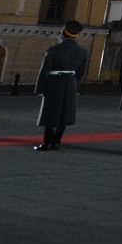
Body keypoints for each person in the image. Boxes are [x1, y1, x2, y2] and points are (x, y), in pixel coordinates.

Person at [33, 20, 88, 150]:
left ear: (62, 33)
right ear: (77, 35)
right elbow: (81, 73)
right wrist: (76, 86)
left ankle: (47, 143)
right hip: (70, 82)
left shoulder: (54, 49)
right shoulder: (82, 51)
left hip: (54, 83)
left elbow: (45, 70)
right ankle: (57, 142)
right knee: (65, 113)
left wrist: (40, 88)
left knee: (51, 112)